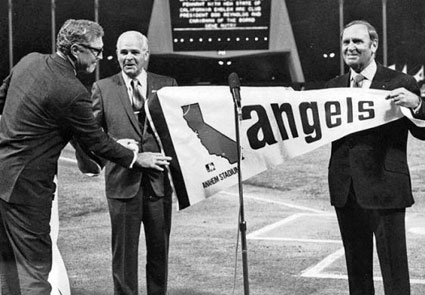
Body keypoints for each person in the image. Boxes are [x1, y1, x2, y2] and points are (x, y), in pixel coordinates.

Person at [0, 20, 171, 295]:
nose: (100, 57)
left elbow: (3, 98)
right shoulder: (71, 90)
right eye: (96, 51)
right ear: (77, 50)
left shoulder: (28, 62)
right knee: (34, 274)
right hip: (27, 192)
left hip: (3, 179)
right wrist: (134, 157)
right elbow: (96, 140)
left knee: (8, 270)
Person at [325, 20, 425, 295]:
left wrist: (417, 104)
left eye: (357, 41)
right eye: (346, 42)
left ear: (373, 45)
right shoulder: (332, 87)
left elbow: (423, 133)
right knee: (357, 275)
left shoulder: (399, 83)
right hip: (346, 191)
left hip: (386, 190)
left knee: (395, 274)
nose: (351, 47)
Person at [76, 31, 177, 295]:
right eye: (123, 52)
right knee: (123, 258)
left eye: (134, 52)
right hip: (122, 184)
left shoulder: (168, 85)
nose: (128, 57)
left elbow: (182, 134)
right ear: (117, 55)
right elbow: (92, 136)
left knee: (159, 254)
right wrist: (115, 147)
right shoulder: (103, 88)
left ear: (146, 55)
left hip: (158, 185)